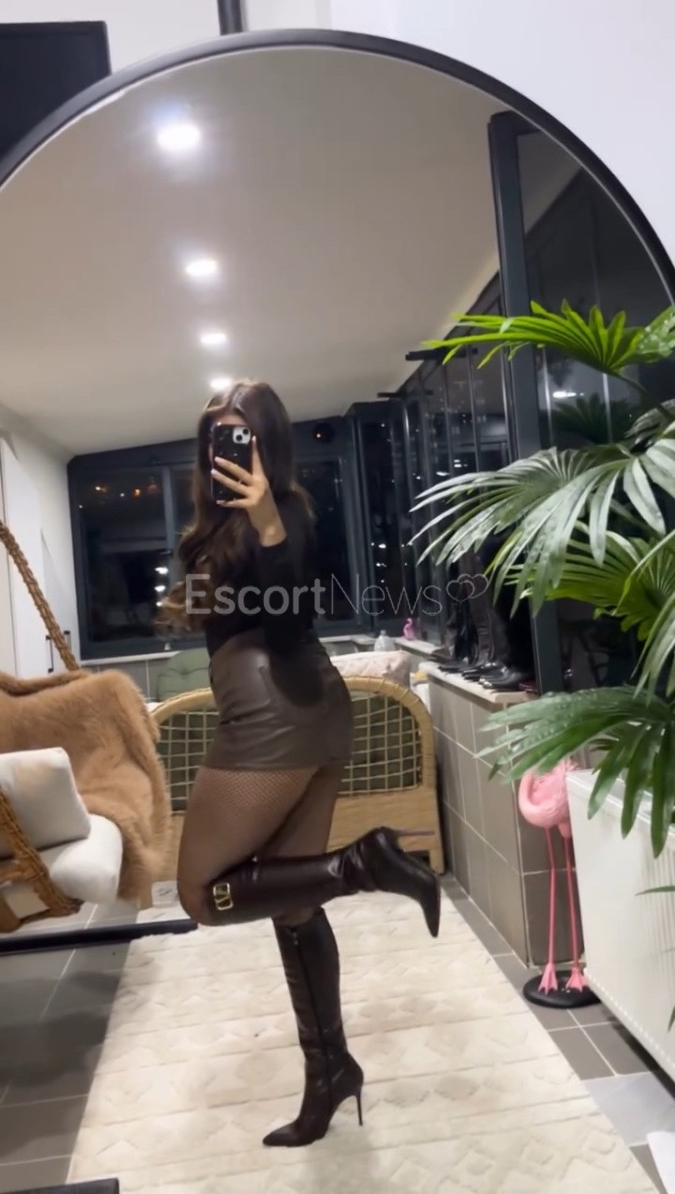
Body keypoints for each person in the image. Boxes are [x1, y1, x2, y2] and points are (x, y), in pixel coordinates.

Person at [161, 380, 440, 1148]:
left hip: (272, 711)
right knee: (292, 907)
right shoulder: (214, 529)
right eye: (215, 435)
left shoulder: (287, 513)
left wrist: (264, 520)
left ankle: (365, 864)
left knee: (200, 893)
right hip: (303, 707)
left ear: (269, 443)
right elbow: (227, 615)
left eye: (240, 434)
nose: (225, 448)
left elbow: (289, 625)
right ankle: (330, 1071)